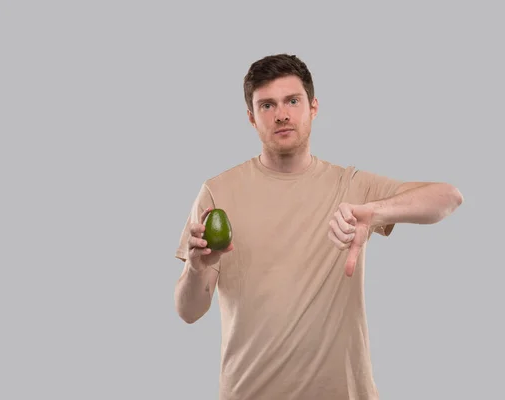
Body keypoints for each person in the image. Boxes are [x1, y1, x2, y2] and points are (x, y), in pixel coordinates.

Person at [174, 54, 464, 400]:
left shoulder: (351, 185)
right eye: (267, 105)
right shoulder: (217, 192)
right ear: (251, 118)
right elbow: (189, 312)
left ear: (313, 108)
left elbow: (448, 197)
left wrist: (375, 212)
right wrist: (196, 268)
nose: (281, 114)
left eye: (292, 101)